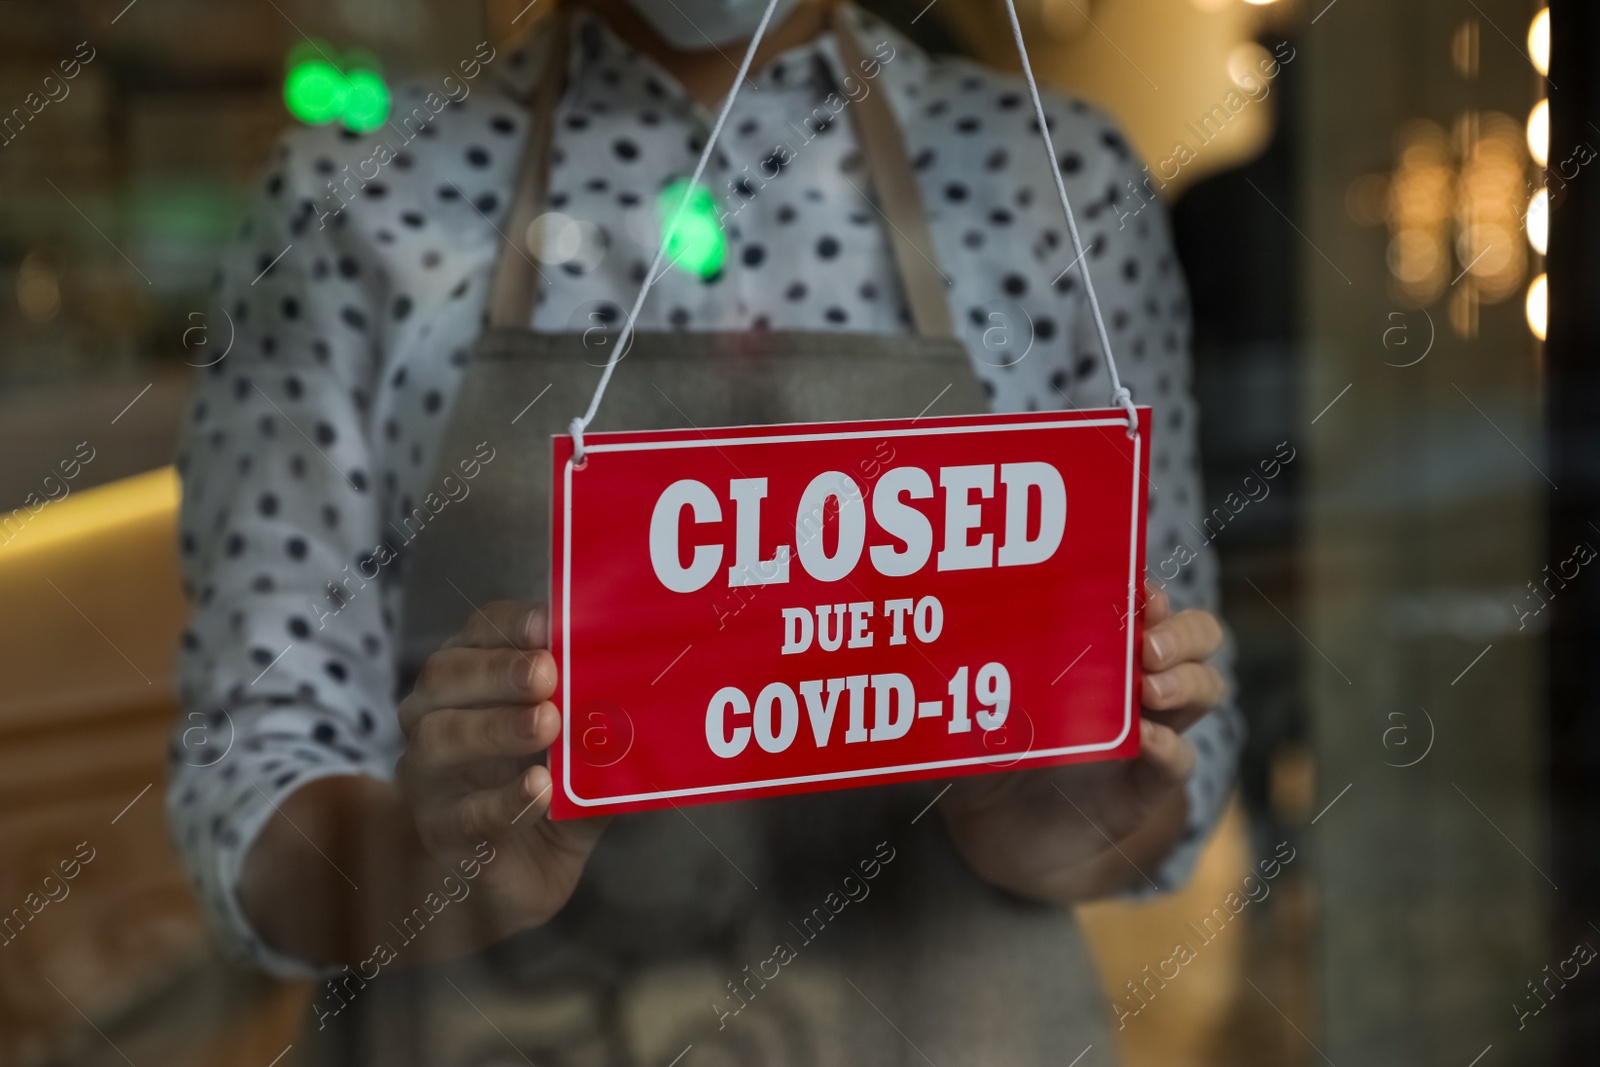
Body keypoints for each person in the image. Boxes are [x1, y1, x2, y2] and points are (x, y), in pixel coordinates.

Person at [168, 0, 1242, 1061]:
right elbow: (251, 787)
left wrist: (1068, 820)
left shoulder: (1051, 182)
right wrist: (431, 856)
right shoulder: (355, 199)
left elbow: (1176, 764)